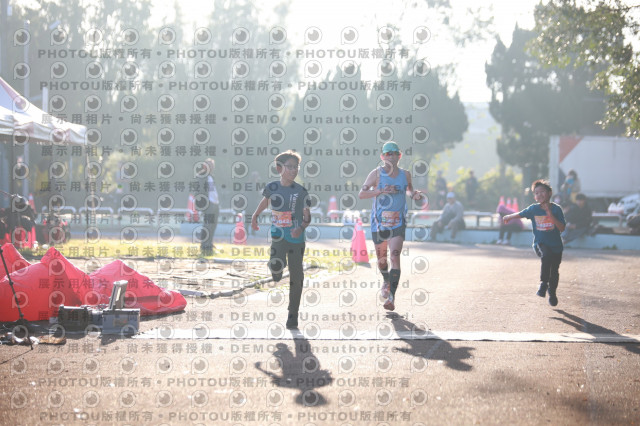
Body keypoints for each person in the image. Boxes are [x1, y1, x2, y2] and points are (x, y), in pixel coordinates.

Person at [358, 141, 424, 311]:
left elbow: (409, 190)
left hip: (398, 222)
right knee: (382, 261)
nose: (392, 156)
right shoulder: (376, 174)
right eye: (388, 153)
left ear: (399, 156)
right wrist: (380, 190)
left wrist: (414, 194)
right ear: (382, 156)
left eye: (395, 153)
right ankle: (386, 280)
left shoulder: (405, 174)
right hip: (379, 223)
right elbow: (362, 194)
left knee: (394, 256)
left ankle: (392, 298)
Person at [251, 150, 311, 329]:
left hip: (296, 240)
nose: (293, 170)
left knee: (297, 277)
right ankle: (277, 269)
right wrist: (255, 215)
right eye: (289, 167)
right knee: (276, 267)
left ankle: (293, 314)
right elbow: (266, 201)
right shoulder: (272, 187)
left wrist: (300, 228)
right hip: (278, 236)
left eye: (296, 167)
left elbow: (307, 217)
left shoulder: (301, 191)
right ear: (279, 168)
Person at [503, 179, 566, 306]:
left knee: (554, 271)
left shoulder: (556, 209)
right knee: (546, 255)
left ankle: (552, 292)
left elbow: (562, 228)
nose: (539, 194)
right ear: (535, 197)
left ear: (549, 193)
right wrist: (509, 217)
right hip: (540, 244)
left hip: (556, 246)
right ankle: (543, 283)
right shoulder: (533, 209)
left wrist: (550, 215)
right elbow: (521, 214)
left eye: (542, 191)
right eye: (536, 193)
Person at [199, 158, 220, 256]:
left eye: (212, 165)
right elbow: (199, 192)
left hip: (215, 203)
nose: (211, 167)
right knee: (207, 225)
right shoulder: (201, 176)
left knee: (213, 225)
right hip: (209, 204)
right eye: (209, 165)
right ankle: (204, 245)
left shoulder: (212, 177)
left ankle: (209, 244)